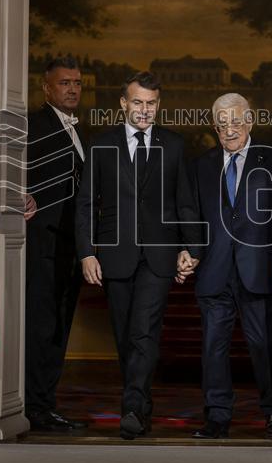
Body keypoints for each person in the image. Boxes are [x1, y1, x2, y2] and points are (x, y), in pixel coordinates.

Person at [75, 71, 200, 440]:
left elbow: (187, 204)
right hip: (115, 257)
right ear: (123, 104)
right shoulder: (102, 145)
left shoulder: (175, 146)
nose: (145, 110)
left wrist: (192, 249)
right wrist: (87, 253)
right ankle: (142, 405)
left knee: (144, 332)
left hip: (160, 258)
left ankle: (130, 408)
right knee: (125, 335)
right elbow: (85, 205)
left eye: (151, 103)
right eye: (138, 103)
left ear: (158, 105)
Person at [182, 93, 272, 439]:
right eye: (222, 122)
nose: (229, 128)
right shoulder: (201, 165)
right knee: (213, 348)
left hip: (262, 270)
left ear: (250, 122)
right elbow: (193, 218)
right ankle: (217, 417)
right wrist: (188, 252)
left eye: (236, 120)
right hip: (214, 271)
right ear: (214, 125)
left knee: (265, 346)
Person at [23, 57, 89, 432]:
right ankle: (34, 406)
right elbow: (9, 171)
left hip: (70, 249)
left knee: (59, 327)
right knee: (41, 327)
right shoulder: (33, 125)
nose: (73, 89)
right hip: (42, 246)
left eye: (77, 83)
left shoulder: (79, 130)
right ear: (46, 88)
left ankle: (46, 402)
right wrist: (20, 192)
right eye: (65, 83)